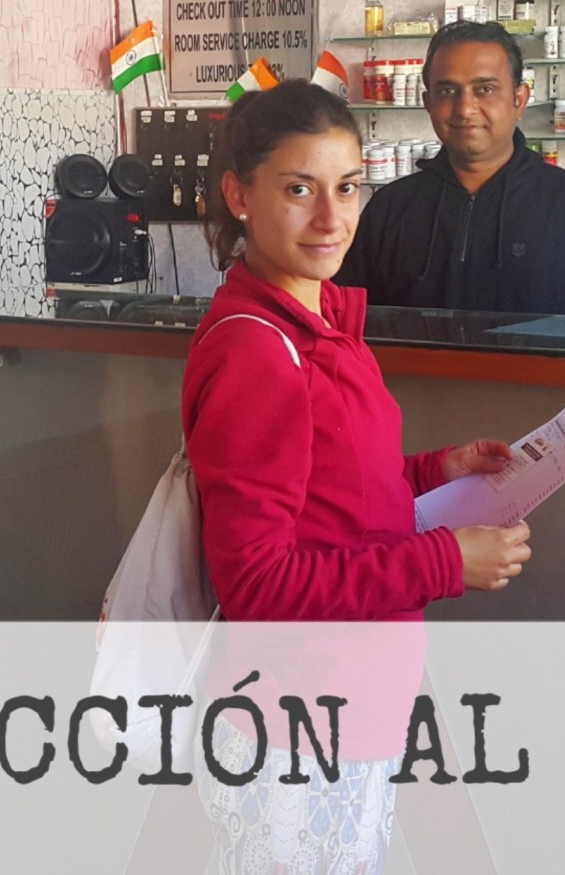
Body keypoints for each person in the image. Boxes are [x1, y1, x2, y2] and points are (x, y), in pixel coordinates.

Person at [182, 80, 532, 874]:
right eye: (297, 189)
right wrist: (445, 559)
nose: (331, 218)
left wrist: (434, 470)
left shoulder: (321, 322)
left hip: (348, 702)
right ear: (239, 194)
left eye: (346, 187)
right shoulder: (258, 351)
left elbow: (334, 485)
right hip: (295, 720)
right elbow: (259, 585)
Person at [335, 20, 565, 320]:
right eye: (447, 91)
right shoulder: (389, 208)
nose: (465, 109)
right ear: (428, 102)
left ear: (519, 100)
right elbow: (344, 324)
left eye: (485, 89)